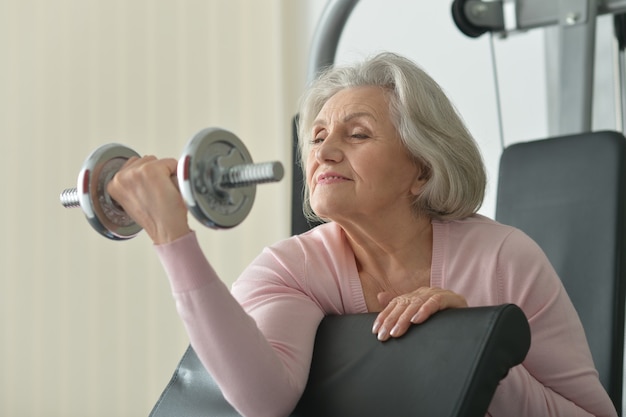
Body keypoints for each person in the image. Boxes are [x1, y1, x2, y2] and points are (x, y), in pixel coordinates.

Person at [108, 52, 617, 417]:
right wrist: (172, 238)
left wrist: (478, 351)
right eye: (318, 137)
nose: (325, 152)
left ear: (421, 168)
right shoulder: (292, 268)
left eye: (357, 134)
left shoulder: (504, 258)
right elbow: (263, 401)